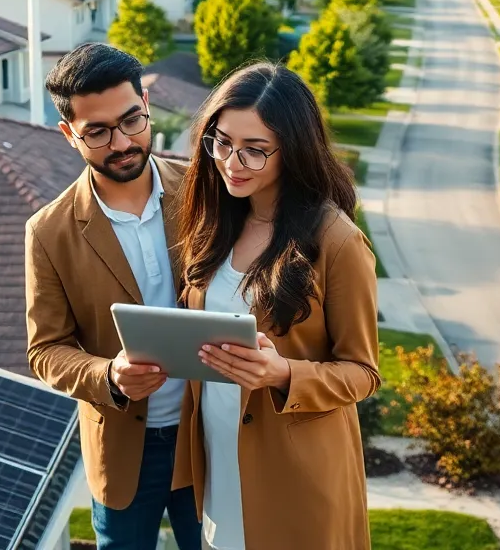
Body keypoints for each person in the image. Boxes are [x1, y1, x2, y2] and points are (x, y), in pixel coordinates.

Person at [175, 63, 380, 550]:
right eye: (221, 142)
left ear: (294, 150)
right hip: (220, 455)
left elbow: (363, 372)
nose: (232, 162)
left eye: (255, 150)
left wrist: (283, 374)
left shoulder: (338, 242)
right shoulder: (215, 221)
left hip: (297, 472)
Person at [25, 44, 201, 550]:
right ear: (68, 134)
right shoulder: (48, 232)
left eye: (132, 121)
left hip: (206, 433)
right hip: (123, 451)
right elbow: (44, 352)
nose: (122, 142)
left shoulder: (202, 193)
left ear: (146, 104)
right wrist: (109, 376)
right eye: (98, 132)